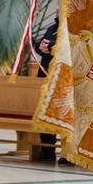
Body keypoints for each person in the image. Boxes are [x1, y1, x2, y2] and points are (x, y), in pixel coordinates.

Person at [34, 8, 63, 163]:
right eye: (56, 8)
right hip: (45, 74)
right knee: (44, 112)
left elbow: (69, 46)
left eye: (60, 8)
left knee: (63, 114)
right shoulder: (51, 28)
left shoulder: (72, 26)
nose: (57, 9)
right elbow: (43, 48)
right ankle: (47, 151)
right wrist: (42, 48)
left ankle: (67, 154)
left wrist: (51, 46)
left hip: (62, 77)